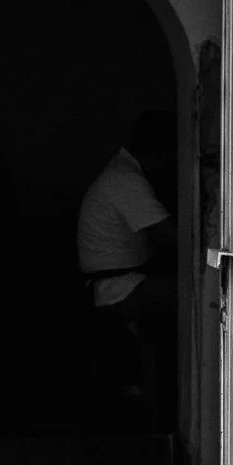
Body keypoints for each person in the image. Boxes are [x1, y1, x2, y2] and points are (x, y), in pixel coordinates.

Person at [77, 112, 177, 428]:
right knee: (199, 303)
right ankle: (168, 410)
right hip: (118, 289)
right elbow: (170, 237)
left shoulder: (122, 174)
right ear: (158, 151)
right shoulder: (126, 181)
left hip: (118, 284)